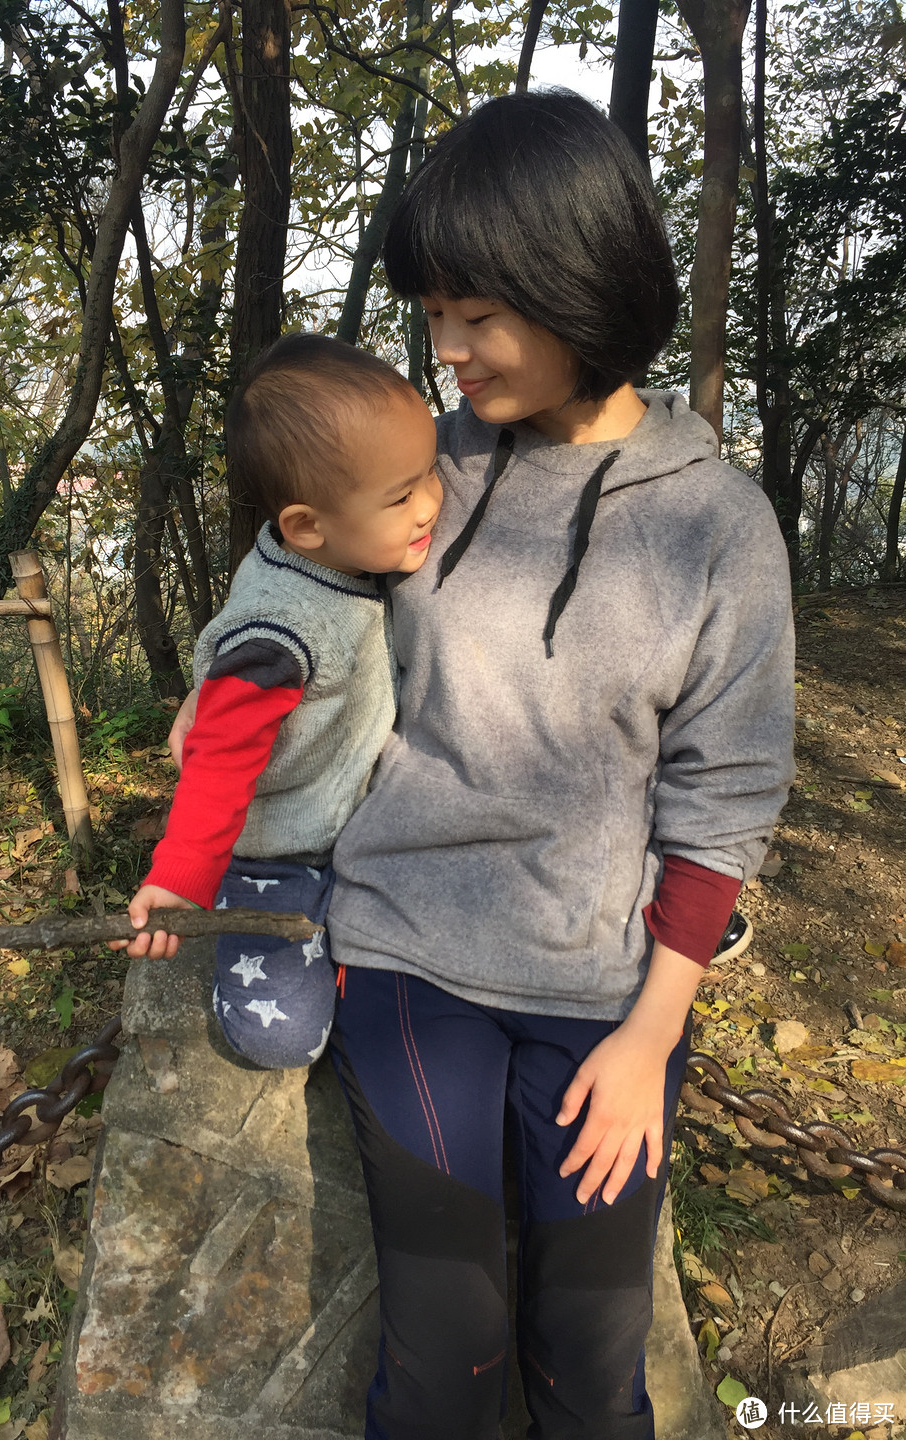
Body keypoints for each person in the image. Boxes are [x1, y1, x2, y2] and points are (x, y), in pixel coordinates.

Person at [311, 90, 793, 1440]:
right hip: (408, 951)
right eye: (432, 310)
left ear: (577, 280)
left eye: (477, 313)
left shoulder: (718, 524)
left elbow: (726, 793)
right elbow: (296, 598)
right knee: (450, 1369)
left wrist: (652, 1034)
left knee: (589, 1372)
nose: (444, 348)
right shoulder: (420, 465)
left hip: (602, 985)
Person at [113, 334, 442, 1070]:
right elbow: (218, 758)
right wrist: (181, 874)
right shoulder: (278, 633)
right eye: (402, 496)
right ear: (306, 525)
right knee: (280, 1039)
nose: (429, 506)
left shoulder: (345, 552)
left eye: (429, 476)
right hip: (279, 854)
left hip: (364, 829)